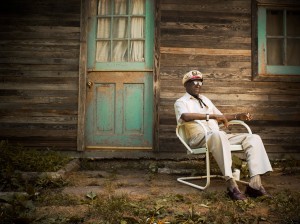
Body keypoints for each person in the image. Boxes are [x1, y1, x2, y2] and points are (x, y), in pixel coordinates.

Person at [174, 70, 273, 200]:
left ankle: (255, 184)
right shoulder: (181, 102)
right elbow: (185, 116)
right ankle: (231, 185)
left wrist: (238, 116)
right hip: (198, 138)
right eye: (194, 82)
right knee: (218, 134)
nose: (198, 85)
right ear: (186, 85)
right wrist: (211, 116)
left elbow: (220, 116)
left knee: (253, 138)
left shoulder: (205, 100)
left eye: (200, 82)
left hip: (218, 136)